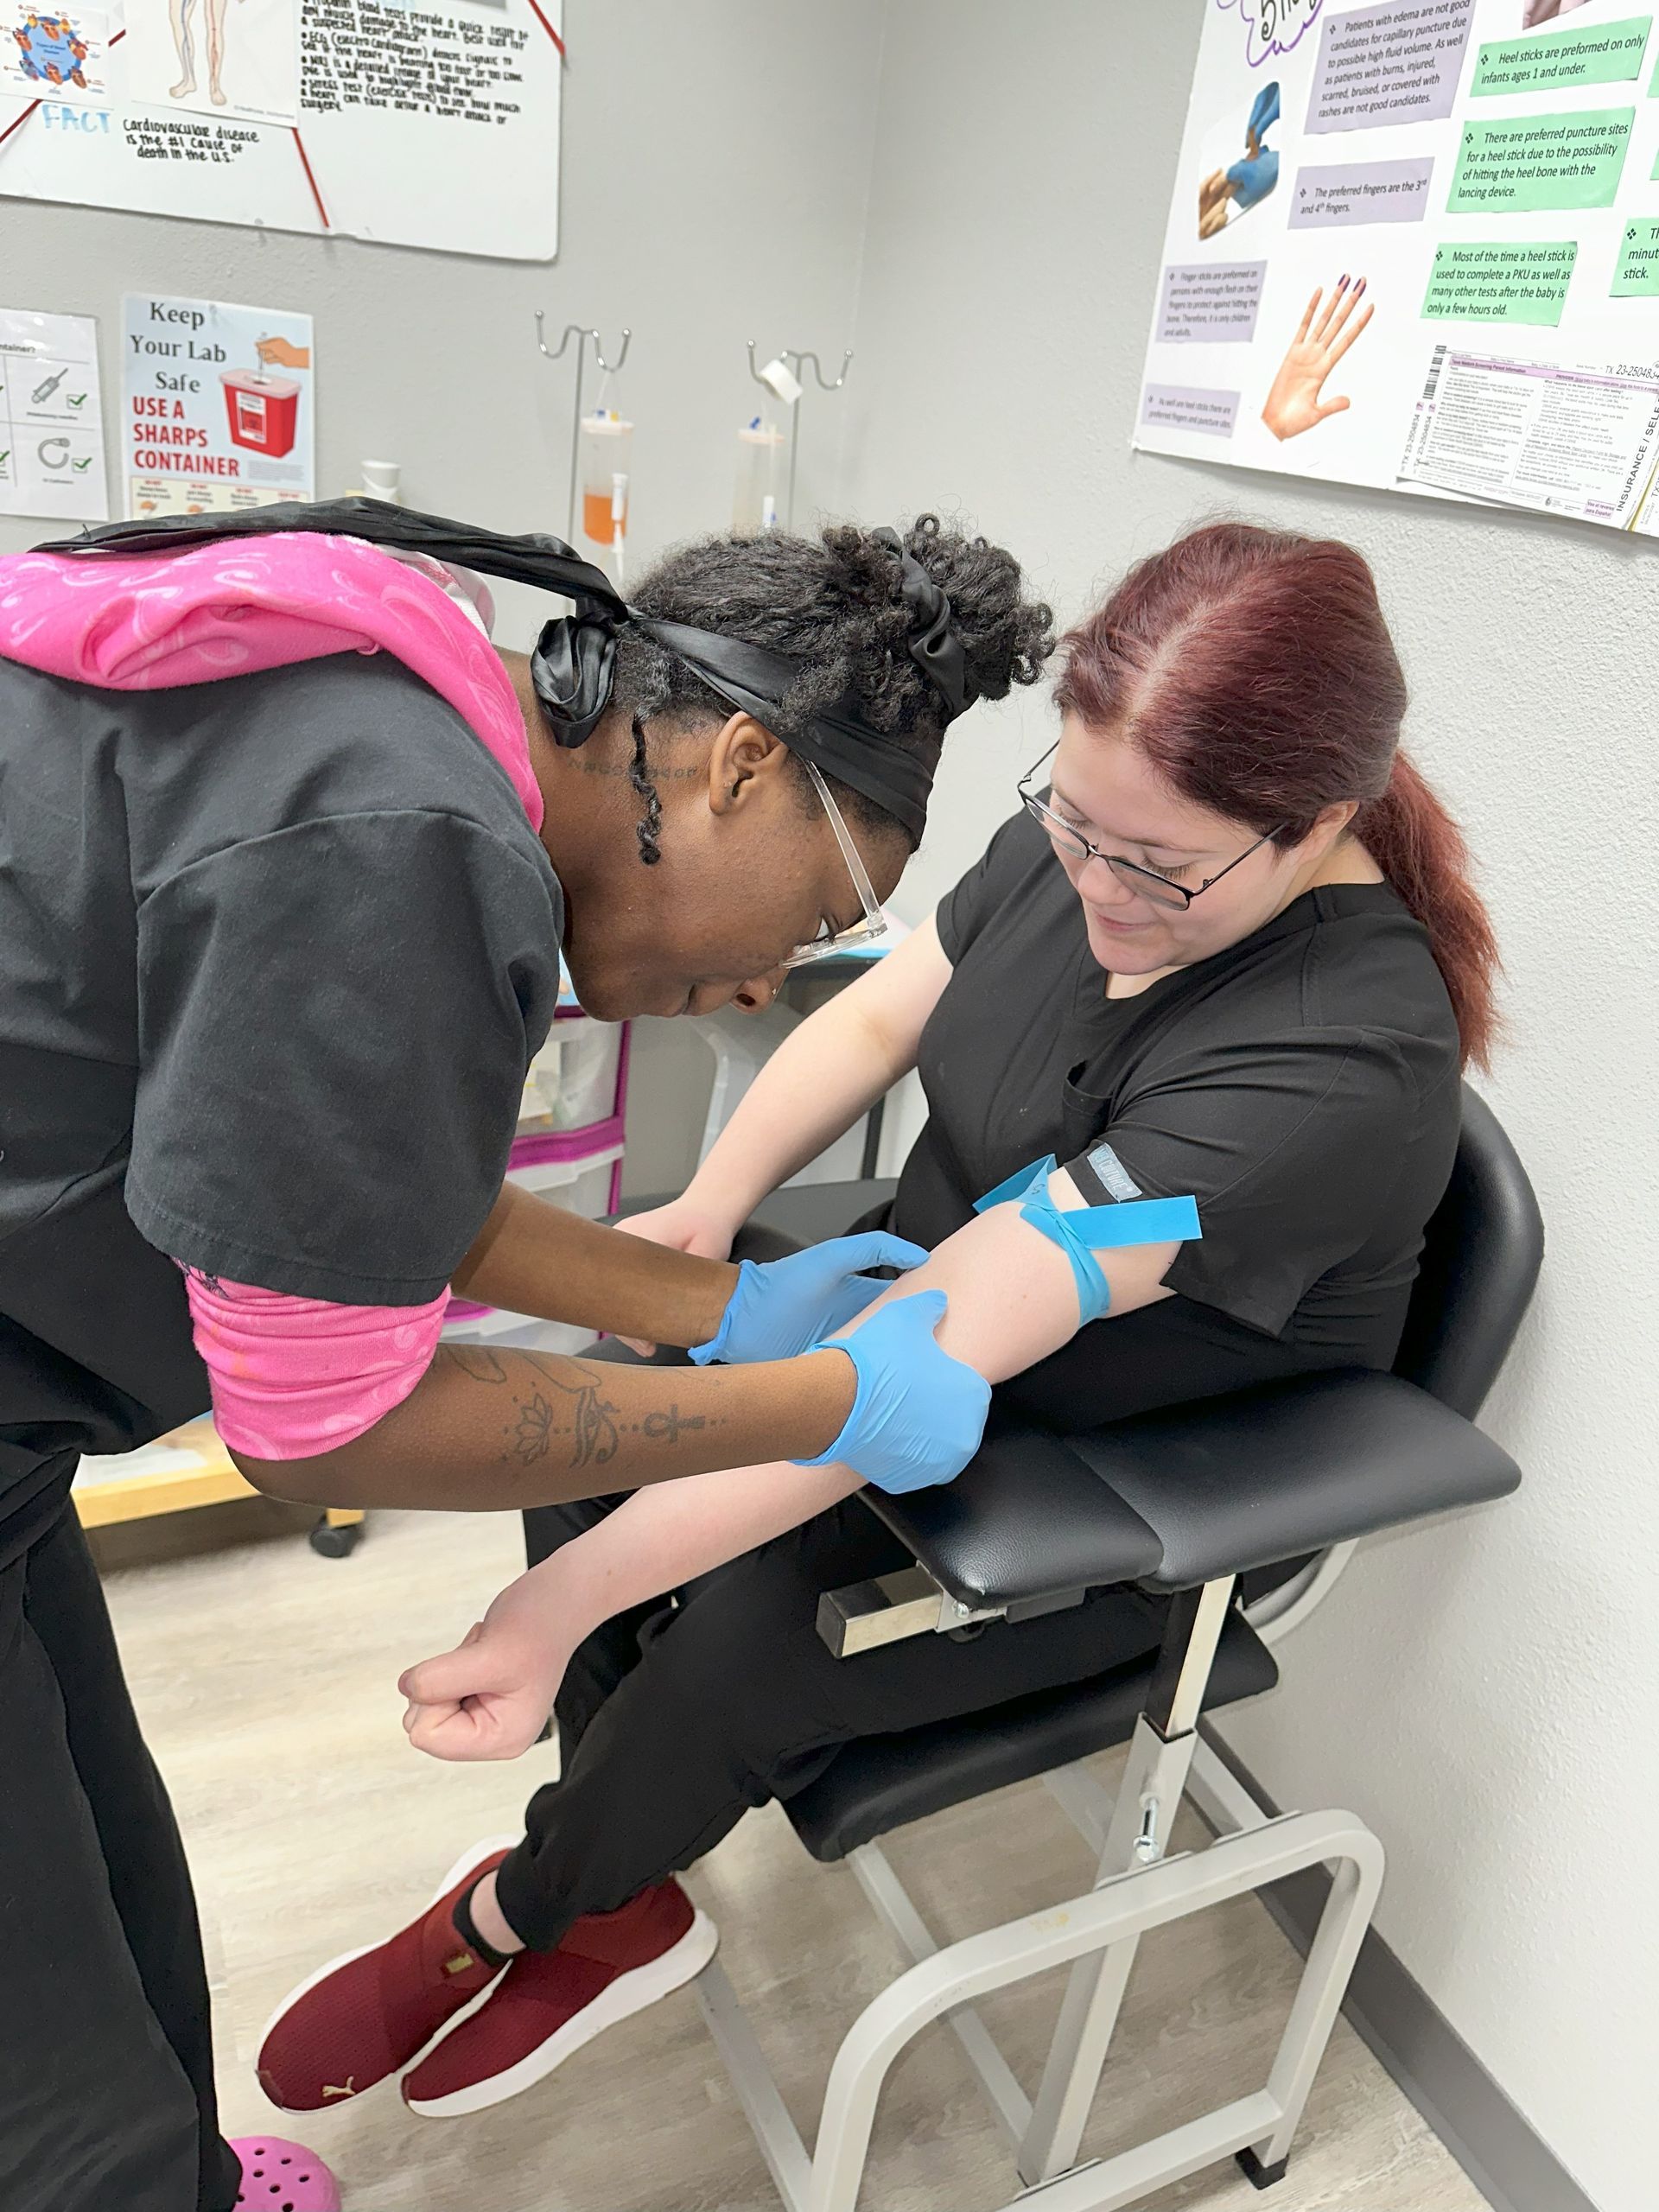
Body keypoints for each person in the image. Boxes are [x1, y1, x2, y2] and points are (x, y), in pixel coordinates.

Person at [260, 519, 1501, 2124]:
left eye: (1159, 868)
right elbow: (879, 1016)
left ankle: (535, 1910)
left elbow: (933, 1353)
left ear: (1318, 820)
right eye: (1075, 828)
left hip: (1111, 1468)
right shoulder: (1097, 843)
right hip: (928, 1311)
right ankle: (614, 1857)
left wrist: (565, 1602)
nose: (1100, 893)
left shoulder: (1334, 1065)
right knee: (611, 1426)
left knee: (741, 1614)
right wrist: (711, 1209)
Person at [0, 499, 1051, 2212]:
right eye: (807, 918)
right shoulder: (404, 840)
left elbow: (350, 1179)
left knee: (112, 1861)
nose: (759, 986)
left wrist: (712, 1304)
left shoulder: (402, 691)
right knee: (41, 2072)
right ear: (736, 767)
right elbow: (325, 1430)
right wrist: (825, 1398)